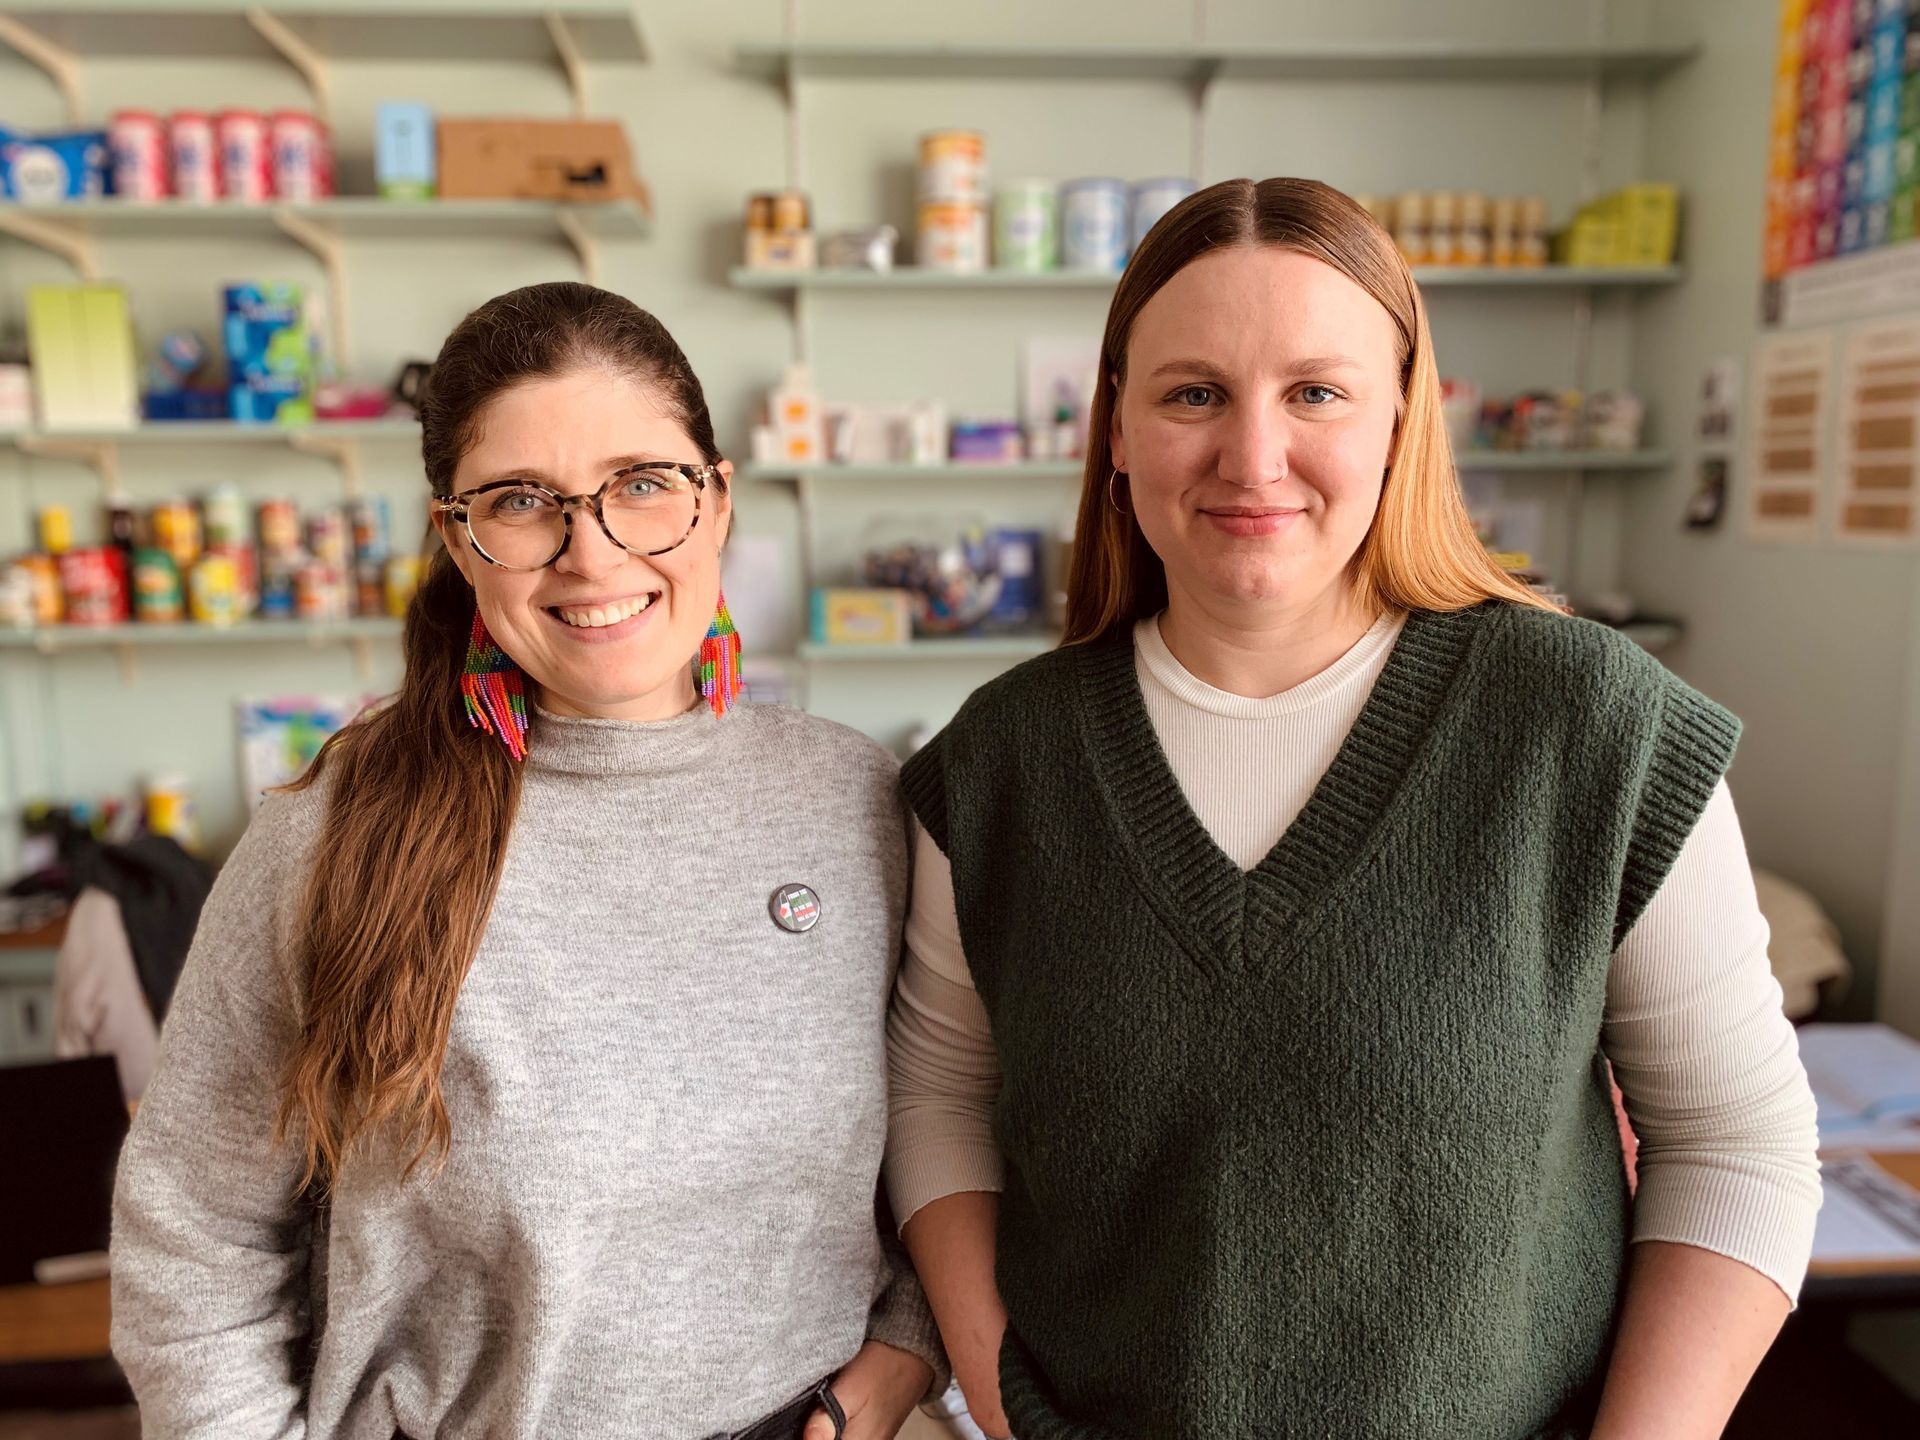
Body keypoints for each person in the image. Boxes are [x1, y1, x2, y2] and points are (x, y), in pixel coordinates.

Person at [885, 179, 1822, 1440]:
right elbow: (940, 1098)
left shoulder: (1590, 726)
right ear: (1114, 429)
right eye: (1192, 393)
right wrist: (1006, 1407)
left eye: (1315, 392)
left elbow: (1737, 1140)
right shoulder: (999, 765)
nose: (1251, 456)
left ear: (1404, 421)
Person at [112, 282, 943, 1440]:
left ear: (717, 503)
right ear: (457, 536)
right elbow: (192, 1228)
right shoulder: (338, 831)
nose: (590, 556)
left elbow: (947, 1135)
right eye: (520, 503)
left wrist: (906, 1348)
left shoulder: (857, 801)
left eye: (642, 485)